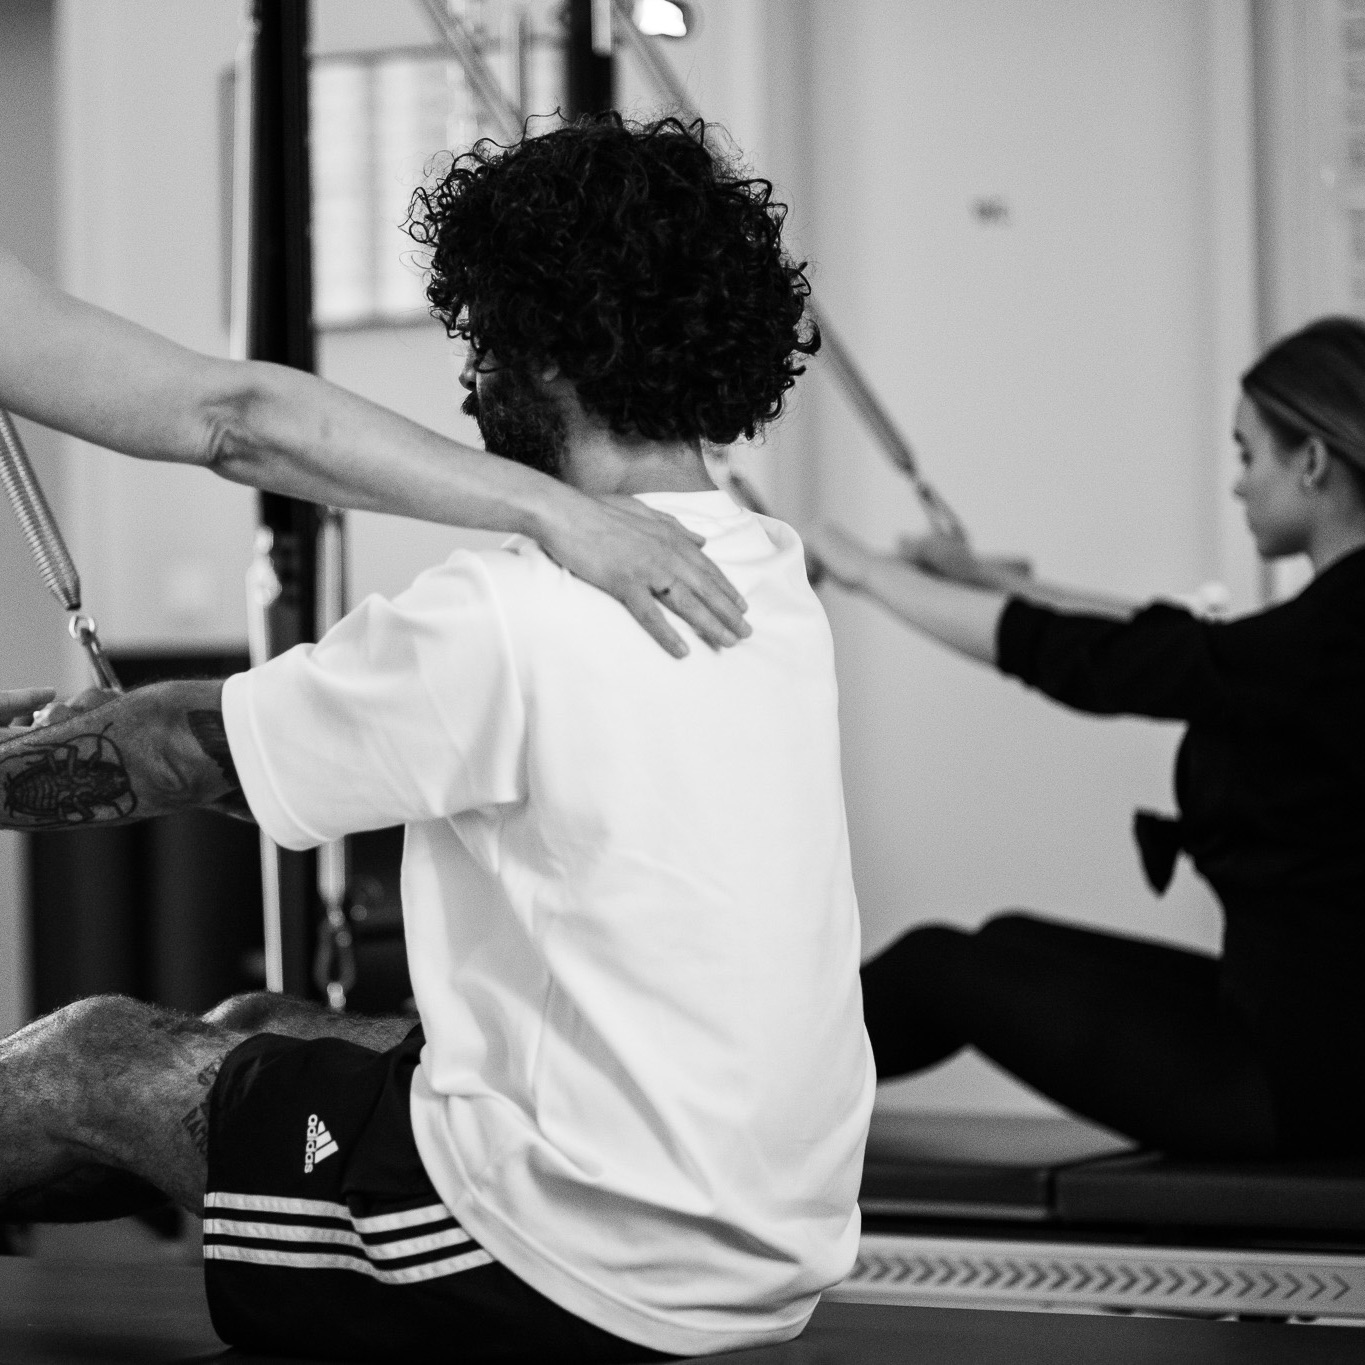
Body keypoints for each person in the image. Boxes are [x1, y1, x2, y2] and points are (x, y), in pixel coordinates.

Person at [0, 114, 872, 1361]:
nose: (470, 381)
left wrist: (131, 734)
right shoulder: (761, 572)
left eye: (481, 341)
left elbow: (184, 736)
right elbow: (279, 724)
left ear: (550, 353)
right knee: (260, 1028)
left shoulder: (519, 610)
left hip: (565, 1256)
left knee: (92, 1056)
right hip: (754, 1239)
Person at [811, 316, 1365, 1161]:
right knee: (1007, 939)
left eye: (1248, 456)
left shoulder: (1331, 636)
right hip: (1306, 1034)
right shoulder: (1331, 625)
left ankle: (719, 1103)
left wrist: (856, 567)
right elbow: (1189, 646)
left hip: (1302, 1087)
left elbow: (1105, 660)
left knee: (941, 970)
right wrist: (987, 581)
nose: (1238, 486)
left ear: (1313, 463)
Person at [0, 242, 747, 659]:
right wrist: (565, 514)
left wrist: (565, 516)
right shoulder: (758, 566)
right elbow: (230, 419)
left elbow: (228, 418)